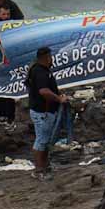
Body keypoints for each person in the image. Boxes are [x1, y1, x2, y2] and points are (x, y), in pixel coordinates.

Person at [25, 46, 72, 176]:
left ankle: (45, 165)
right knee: (41, 141)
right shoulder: (40, 72)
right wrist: (59, 99)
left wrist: (58, 95)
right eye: (51, 57)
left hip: (44, 111)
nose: (52, 59)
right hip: (42, 112)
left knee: (44, 140)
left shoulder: (41, 70)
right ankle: (39, 170)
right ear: (46, 57)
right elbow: (43, 91)